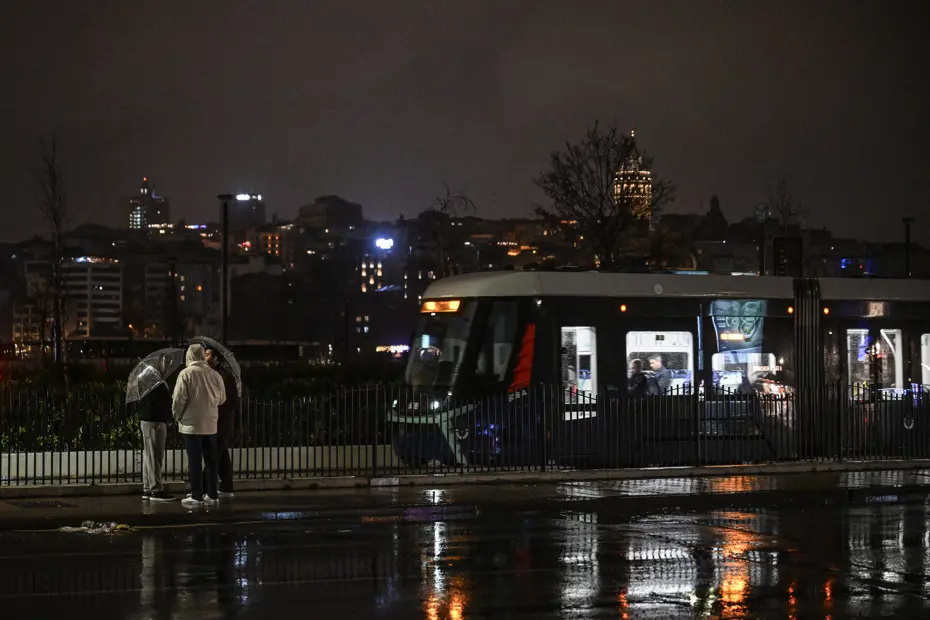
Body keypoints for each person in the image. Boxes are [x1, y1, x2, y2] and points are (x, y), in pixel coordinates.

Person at [172, 344, 226, 507]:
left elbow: (179, 400)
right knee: (211, 461)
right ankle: (212, 494)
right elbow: (222, 399)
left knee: (194, 462)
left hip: (191, 425)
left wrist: (177, 416)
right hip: (211, 425)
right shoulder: (215, 374)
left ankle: (196, 495)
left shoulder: (186, 374)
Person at [138, 354, 175, 502]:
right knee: (155, 456)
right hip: (154, 420)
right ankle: (156, 489)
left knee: (151, 455)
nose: (168, 364)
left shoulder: (153, 378)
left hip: (152, 420)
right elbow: (157, 401)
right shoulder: (151, 378)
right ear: (158, 362)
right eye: (166, 361)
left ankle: (148, 487)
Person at [203, 346, 238, 498]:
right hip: (216, 419)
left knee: (214, 454)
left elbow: (230, 401)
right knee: (221, 454)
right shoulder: (211, 374)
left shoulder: (224, 376)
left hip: (221, 421)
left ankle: (203, 487)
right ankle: (226, 485)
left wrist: (217, 411)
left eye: (208, 354)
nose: (205, 356)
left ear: (216, 358)